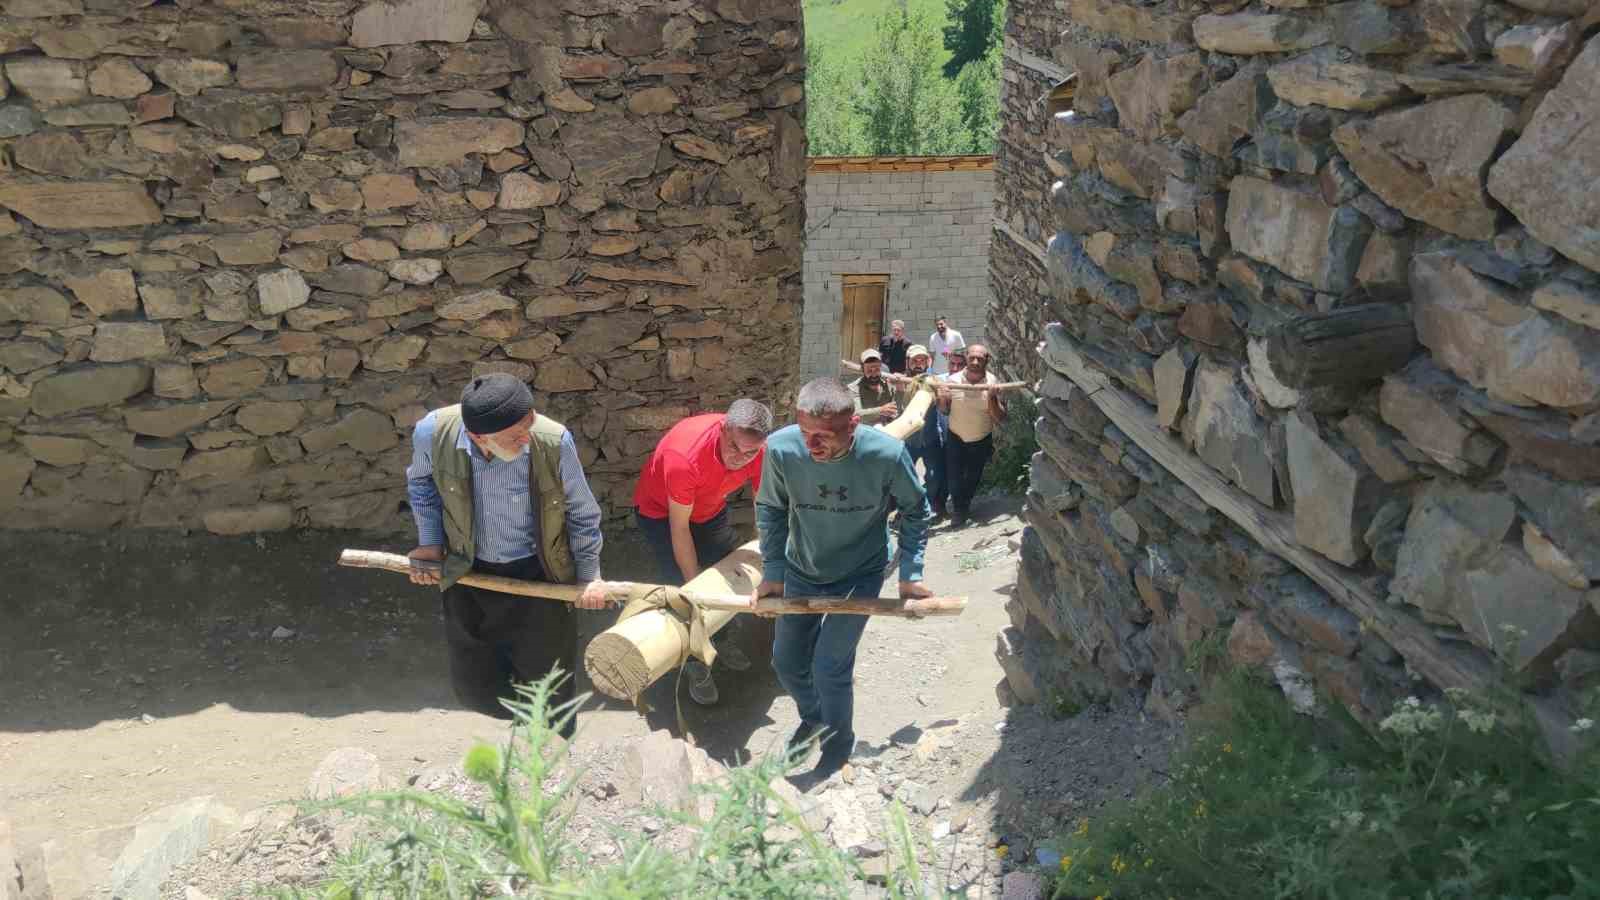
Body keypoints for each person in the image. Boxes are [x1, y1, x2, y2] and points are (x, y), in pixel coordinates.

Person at [405, 374, 608, 736]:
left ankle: (551, 759)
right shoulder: (432, 434)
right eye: (515, 435)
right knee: (476, 686)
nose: (527, 437)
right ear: (478, 437)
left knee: (550, 687)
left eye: (528, 423)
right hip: (468, 572)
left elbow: (582, 512)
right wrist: (431, 544)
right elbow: (421, 484)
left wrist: (590, 576)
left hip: (538, 573)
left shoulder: (552, 441)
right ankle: (522, 724)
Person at [755, 377, 933, 786]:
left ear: (853, 425)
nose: (812, 446)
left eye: (825, 437)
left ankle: (837, 747)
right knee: (786, 661)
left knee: (830, 665)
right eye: (806, 434)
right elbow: (771, 509)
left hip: (860, 572)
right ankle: (814, 719)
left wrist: (911, 575)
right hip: (802, 568)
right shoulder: (782, 449)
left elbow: (916, 509)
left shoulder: (886, 453)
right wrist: (773, 573)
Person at [633, 399, 774, 705]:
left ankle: (721, 638)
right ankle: (696, 661)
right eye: (734, 447)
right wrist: (694, 585)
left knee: (727, 575)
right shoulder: (685, 457)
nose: (740, 458)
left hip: (710, 507)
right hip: (661, 514)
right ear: (723, 430)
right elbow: (679, 528)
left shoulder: (760, 450)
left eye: (750, 452)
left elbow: (762, 505)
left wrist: (766, 554)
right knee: (683, 591)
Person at [937, 344, 1006, 528]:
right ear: (966, 358)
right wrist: (942, 398)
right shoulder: (952, 381)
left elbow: (999, 417)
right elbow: (944, 411)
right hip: (956, 437)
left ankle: (963, 506)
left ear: (987, 360)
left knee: (973, 477)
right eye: (972, 358)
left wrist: (991, 397)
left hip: (981, 439)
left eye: (980, 359)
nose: (975, 362)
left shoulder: (993, 382)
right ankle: (959, 511)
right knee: (954, 477)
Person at [923, 347, 965, 518]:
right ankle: (934, 505)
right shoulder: (938, 380)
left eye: (959, 365)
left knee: (951, 473)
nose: (954, 368)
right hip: (937, 436)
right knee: (935, 472)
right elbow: (919, 381)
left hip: (956, 436)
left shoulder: (969, 384)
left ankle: (946, 505)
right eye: (952, 364)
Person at [899, 344, 933, 472]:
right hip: (907, 439)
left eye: (922, 361)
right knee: (903, 474)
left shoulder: (934, 381)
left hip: (929, 439)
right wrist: (900, 391)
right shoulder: (898, 380)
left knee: (934, 480)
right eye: (914, 361)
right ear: (907, 362)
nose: (919, 364)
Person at [848, 348, 898, 426]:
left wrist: (900, 389)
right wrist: (881, 410)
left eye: (877, 369)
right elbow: (856, 415)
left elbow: (896, 411)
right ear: (862, 369)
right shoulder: (853, 388)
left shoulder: (888, 386)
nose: (874, 374)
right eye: (869, 370)